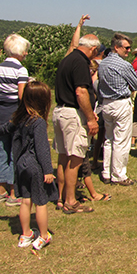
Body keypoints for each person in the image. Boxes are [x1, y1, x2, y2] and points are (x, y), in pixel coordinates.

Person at [0, 81, 58, 249]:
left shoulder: (19, 118)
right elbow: (42, 148)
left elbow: (6, 129)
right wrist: (48, 170)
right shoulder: (39, 122)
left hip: (20, 164)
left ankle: (25, 234)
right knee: (40, 202)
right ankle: (43, 235)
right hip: (34, 165)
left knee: (25, 200)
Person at [53, 34, 100, 214]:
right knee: (76, 157)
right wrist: (90, 118)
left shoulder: (67, 59)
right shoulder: (81, 62)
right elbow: (81, 92)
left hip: (60, 111)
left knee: (63, 156)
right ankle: (71, 200)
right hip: (72, 114)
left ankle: (61, 197)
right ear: (93, 49)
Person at [0, 33, 31, 207]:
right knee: (16, 152)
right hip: (14, 112)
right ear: (20, 51)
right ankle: (14, 192)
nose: (27, 54)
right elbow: (21, 96)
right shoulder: (21, 70)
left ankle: (0, 190)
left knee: (2, 151)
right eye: (26, 51)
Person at [98, 33, 137, 186]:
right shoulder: (123, 65)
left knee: (109, 139)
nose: (128, 51)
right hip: (120, 103)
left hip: (106, 103)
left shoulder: (102, 63)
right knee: (121, 141)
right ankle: (119, 175)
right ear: (117, 47)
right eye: (127, 48)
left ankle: (106, 172)